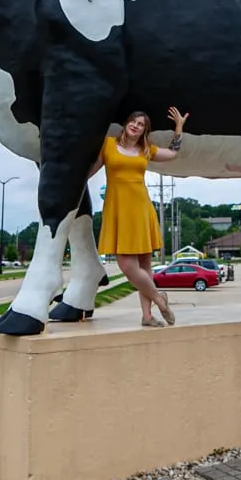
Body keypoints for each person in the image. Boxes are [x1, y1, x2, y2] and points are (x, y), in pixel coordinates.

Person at [91, 106, 189, 326]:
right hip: (118, 208)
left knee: (145, 264)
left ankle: (147, 316)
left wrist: (179, 127)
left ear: (144, 130)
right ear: (127, 124)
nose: (136, 126)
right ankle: (159, 298)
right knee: (126, 264)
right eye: (133, 121)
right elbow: (92, 169)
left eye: (141, 124)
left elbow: (173, 153)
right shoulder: (108, 145)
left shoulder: (146, 149)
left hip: (141, 208)